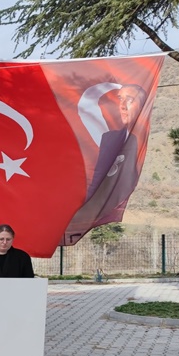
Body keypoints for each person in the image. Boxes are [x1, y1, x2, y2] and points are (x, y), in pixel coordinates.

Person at [66, 84, 147, 242]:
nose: (122, 106)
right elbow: (98, 179)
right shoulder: (110, 139)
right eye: (120, 99)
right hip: (108, 210)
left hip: (137, 214)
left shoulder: (145, 139)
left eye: (129, 100)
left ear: (143, 105)